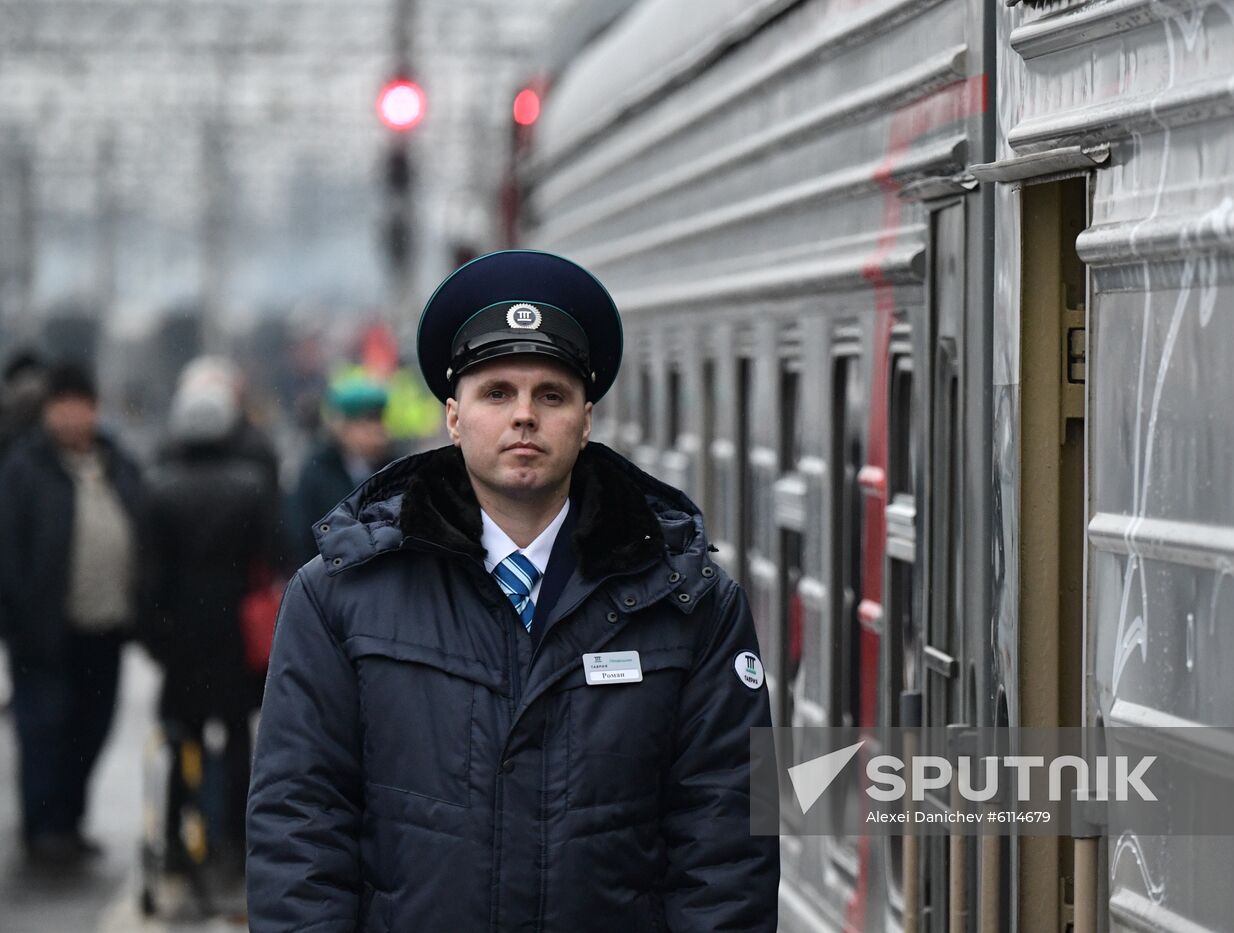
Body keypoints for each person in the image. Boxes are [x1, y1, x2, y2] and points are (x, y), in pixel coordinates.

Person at [247, 250, 780, 931]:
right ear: (453, 416)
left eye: (551, 395)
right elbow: (299, 827)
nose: (523, 415)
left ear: (585, 420)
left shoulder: (693, 604)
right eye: (496, 392)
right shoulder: (337, 598)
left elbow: (730, 843)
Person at [0, 362, 144, 865]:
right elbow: (10, 549)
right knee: (44, 731)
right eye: (59, 407)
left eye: (78, 406)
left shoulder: (118, 463)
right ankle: (44, 829)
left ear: (93, 409)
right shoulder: (25, 469)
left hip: (104, 628)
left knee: (91, 728)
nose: (69, 417)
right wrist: (18, 615)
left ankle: (71, 821)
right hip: (44, 631)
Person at [142, 367, 280, 882]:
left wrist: (155, 636)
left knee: (183, 734)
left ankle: (178, 836)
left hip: (181, 634)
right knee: (238, 736)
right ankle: (232, 840)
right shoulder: (249, 486)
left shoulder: (159, 489)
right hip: (234, 632)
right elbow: (272, 554)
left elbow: (148, 576)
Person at [283, 374, 392, 565]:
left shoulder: (395, 468)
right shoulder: (317, 471)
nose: (377, 432)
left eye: (379, 422)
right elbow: (301, 535)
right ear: (342, 427)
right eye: (365, 424)